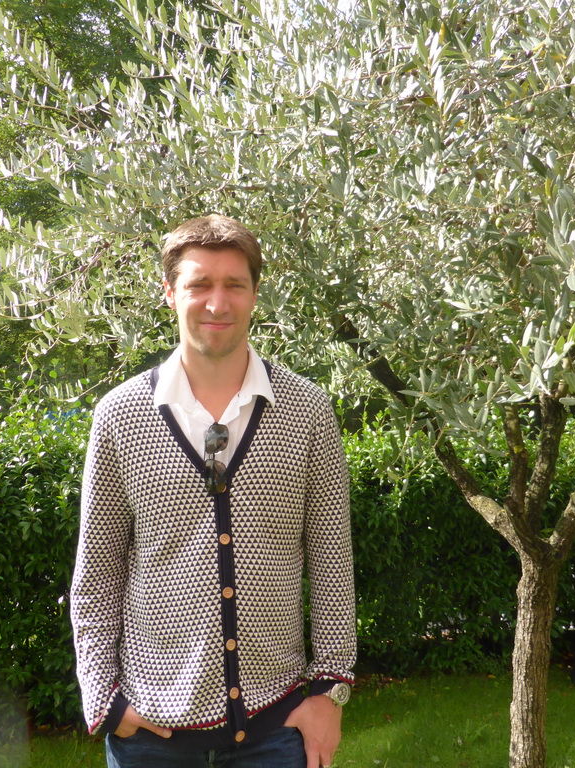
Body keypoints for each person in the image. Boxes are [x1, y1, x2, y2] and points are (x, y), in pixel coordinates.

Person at [70, 214, 356, 768]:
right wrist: (103, 696)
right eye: (200, 284)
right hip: (149, 734)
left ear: (254, 295)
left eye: (234, 285)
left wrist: (331, 689)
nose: (217, 304)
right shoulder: (120, 416)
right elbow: (98, 570)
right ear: (170, 292)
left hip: (276, 726)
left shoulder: (307, 412)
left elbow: (331, 561)